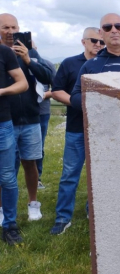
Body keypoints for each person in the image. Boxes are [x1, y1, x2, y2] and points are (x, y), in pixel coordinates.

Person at [49, 28, 104, 235]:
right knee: (70, 174)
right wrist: (77, 102)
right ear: (83, 41)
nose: (98, 44)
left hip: (102, 130)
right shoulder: (70, 63)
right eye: (94, 40)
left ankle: (94, 211)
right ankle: (63, 217)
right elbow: (56, 90)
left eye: (101, 41)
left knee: (98, 174)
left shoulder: (107, 64)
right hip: (76, 127)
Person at [0, 13, 53, 221]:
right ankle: (3, 208)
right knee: (6, 168)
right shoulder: (1, 54)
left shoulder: (29, 52)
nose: (11, 32)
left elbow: (48, 78)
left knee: (30, 162)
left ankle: (33, 203)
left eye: (14, 27)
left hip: (31, 118)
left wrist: (28, 60)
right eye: (6, 27)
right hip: (6, 119)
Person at [0, 45, 29, 245]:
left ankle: (9, 225)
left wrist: (2, 91)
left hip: (2, 124)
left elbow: (22, 83)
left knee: (7, 177)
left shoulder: (4, 52)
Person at [36, 58, 56, 189]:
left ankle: (37, 178)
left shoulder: (46, 64)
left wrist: (43, 95)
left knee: (39, 147)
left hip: (42, 111)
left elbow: (57, 88)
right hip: (20, 112)